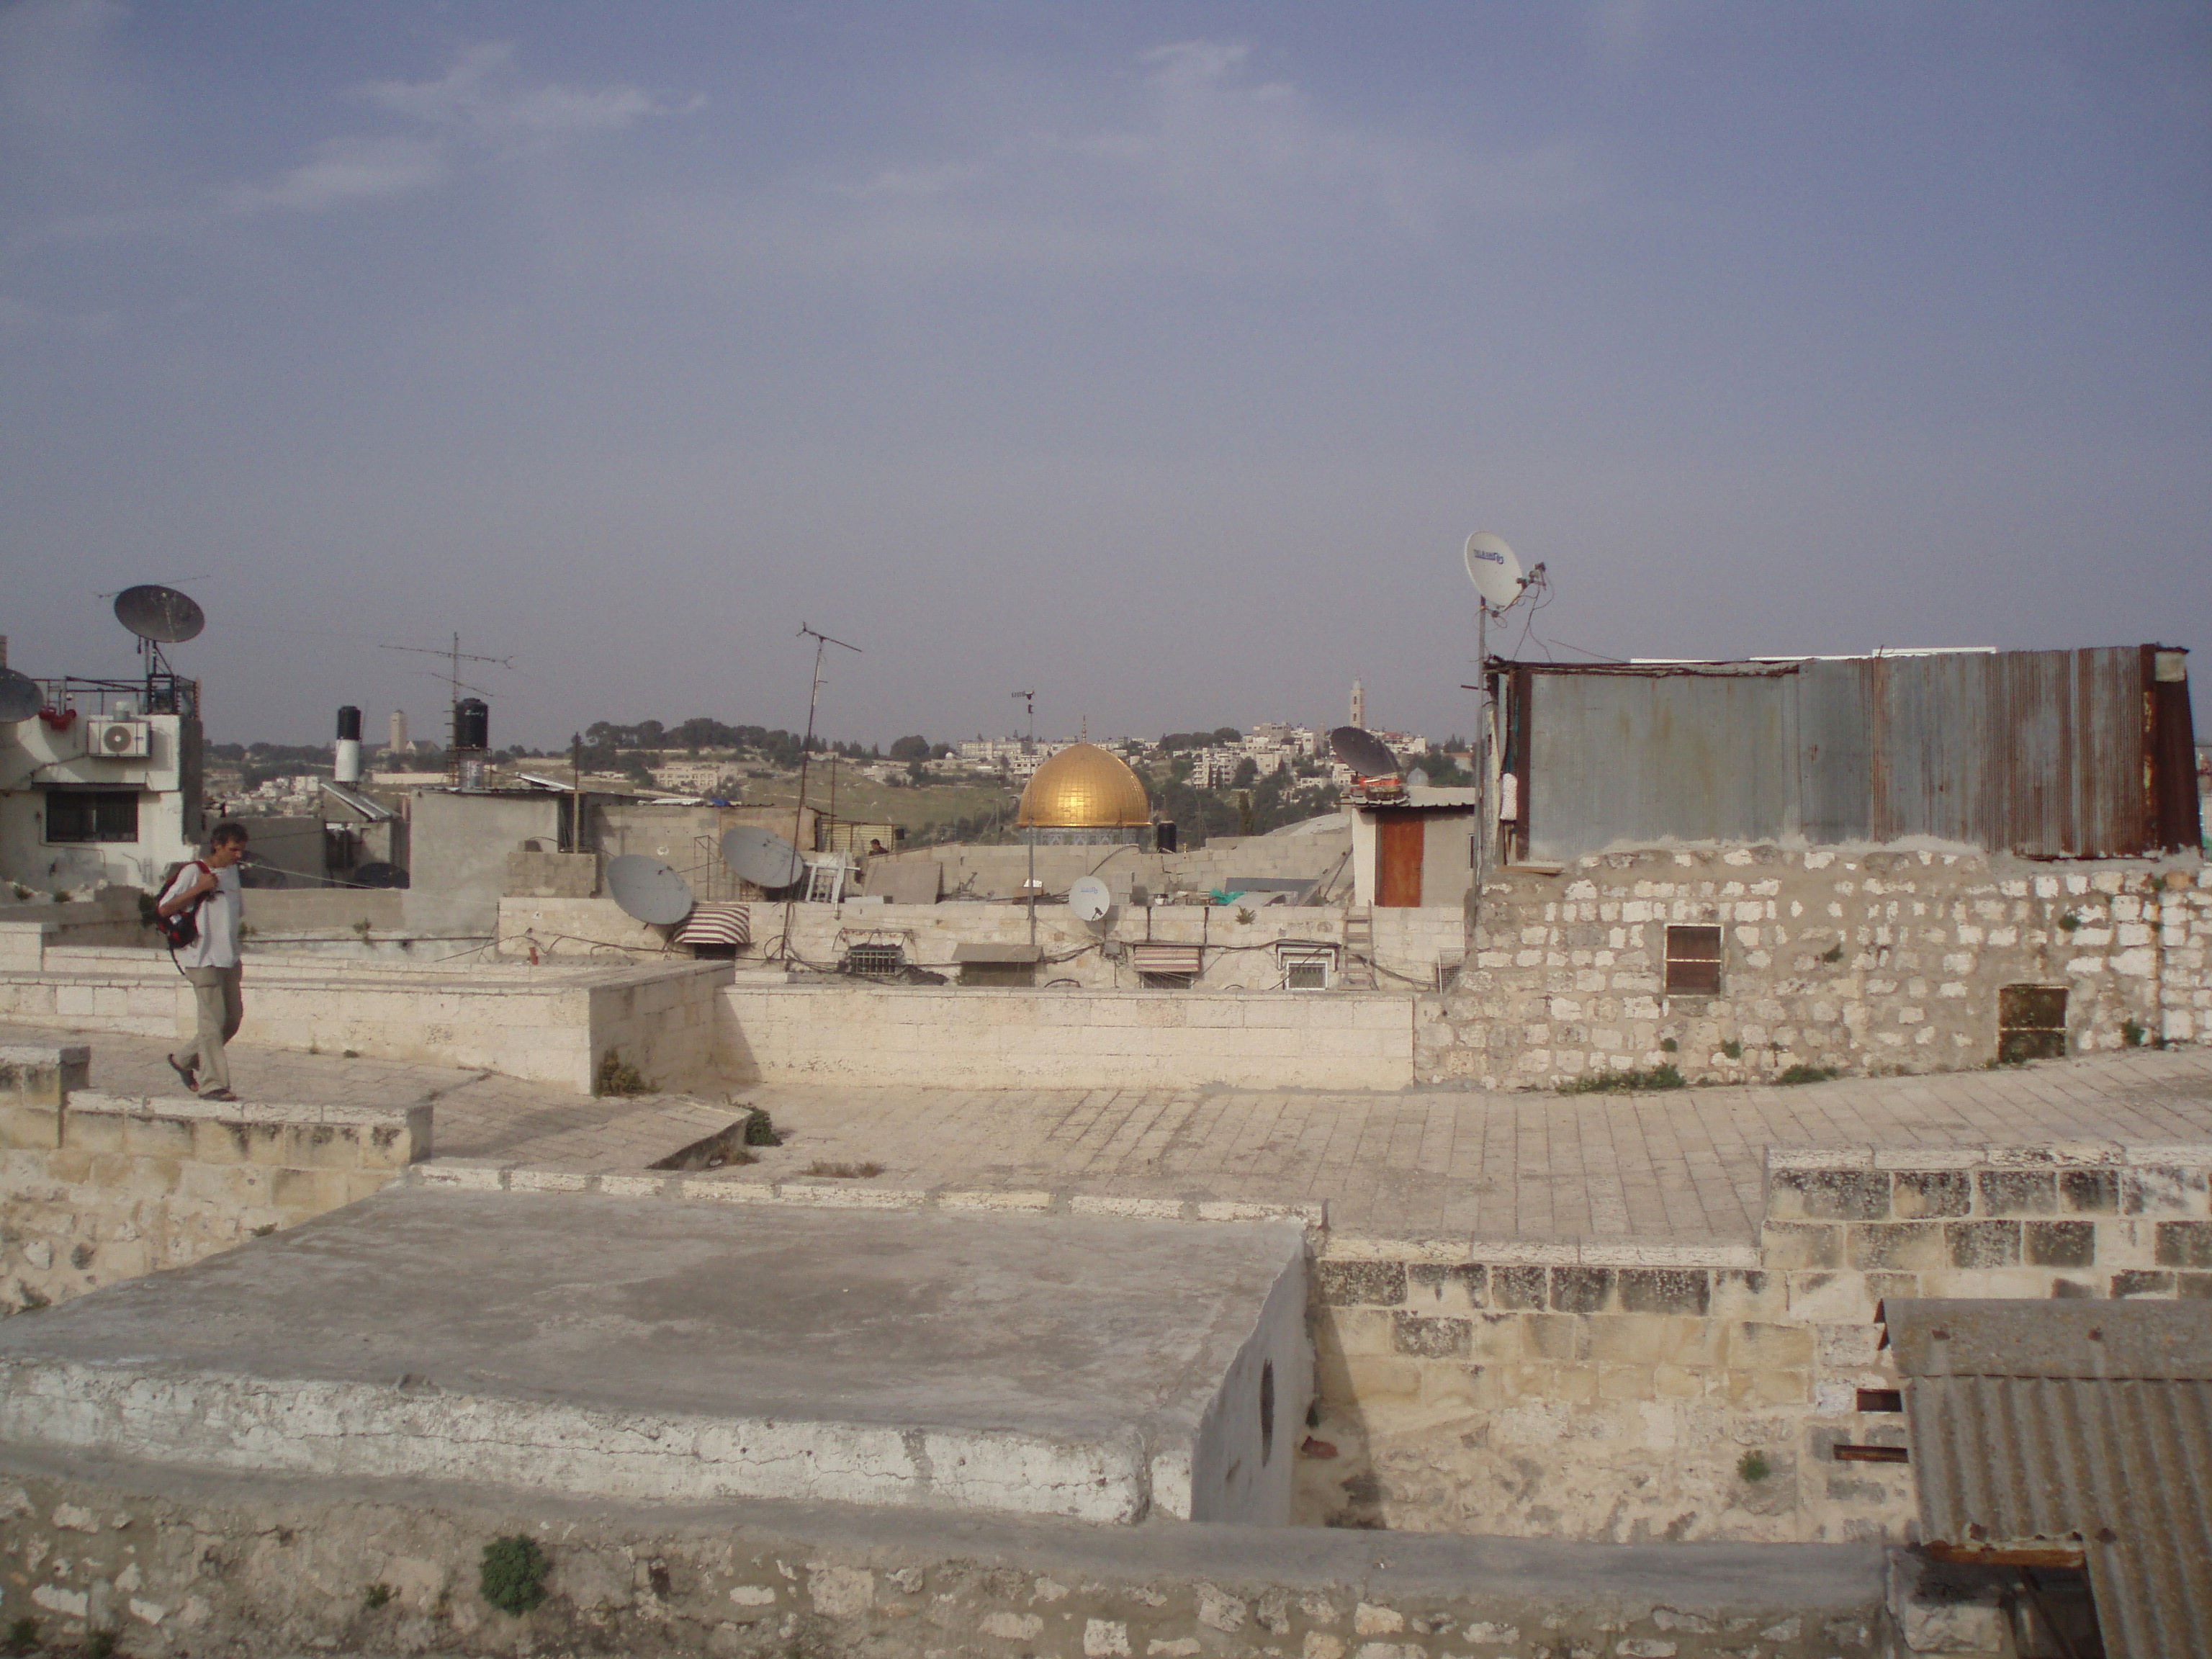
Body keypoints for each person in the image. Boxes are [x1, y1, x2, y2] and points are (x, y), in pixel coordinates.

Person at [160, 820, 249, 1101]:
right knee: (212, 1024)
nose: (238, 855)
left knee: (231, 1021)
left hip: (229, 958)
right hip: (202, 957)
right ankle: (213, 1085)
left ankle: (184, 1059)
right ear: (217, 845)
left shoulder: (233, 874)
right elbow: (164, 908)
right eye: (233, 849)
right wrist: (197, 889)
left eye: (241, 850)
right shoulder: (193, 872)